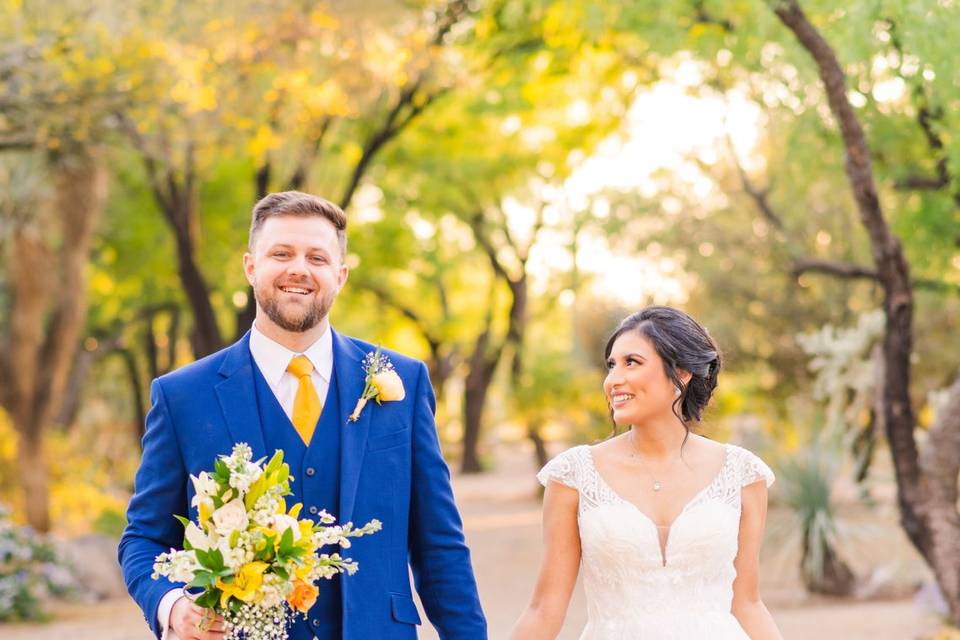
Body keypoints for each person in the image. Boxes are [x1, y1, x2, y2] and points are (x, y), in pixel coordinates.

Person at [119, 191, 486, 640]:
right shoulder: (182, 396)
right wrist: (174, 607)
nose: (299, 269)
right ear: (251, 266)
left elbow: (439, 545)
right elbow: (142, 540)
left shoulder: (402, 383)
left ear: (340, 275)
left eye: (317, 257)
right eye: (281, 254)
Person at [510, 306, 783, 640]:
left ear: (681, 372)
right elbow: (544, 610)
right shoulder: (574, 475)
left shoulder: (742, 473)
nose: (613, 380)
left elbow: (748, 603)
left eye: (632, 363)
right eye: (611, 365)